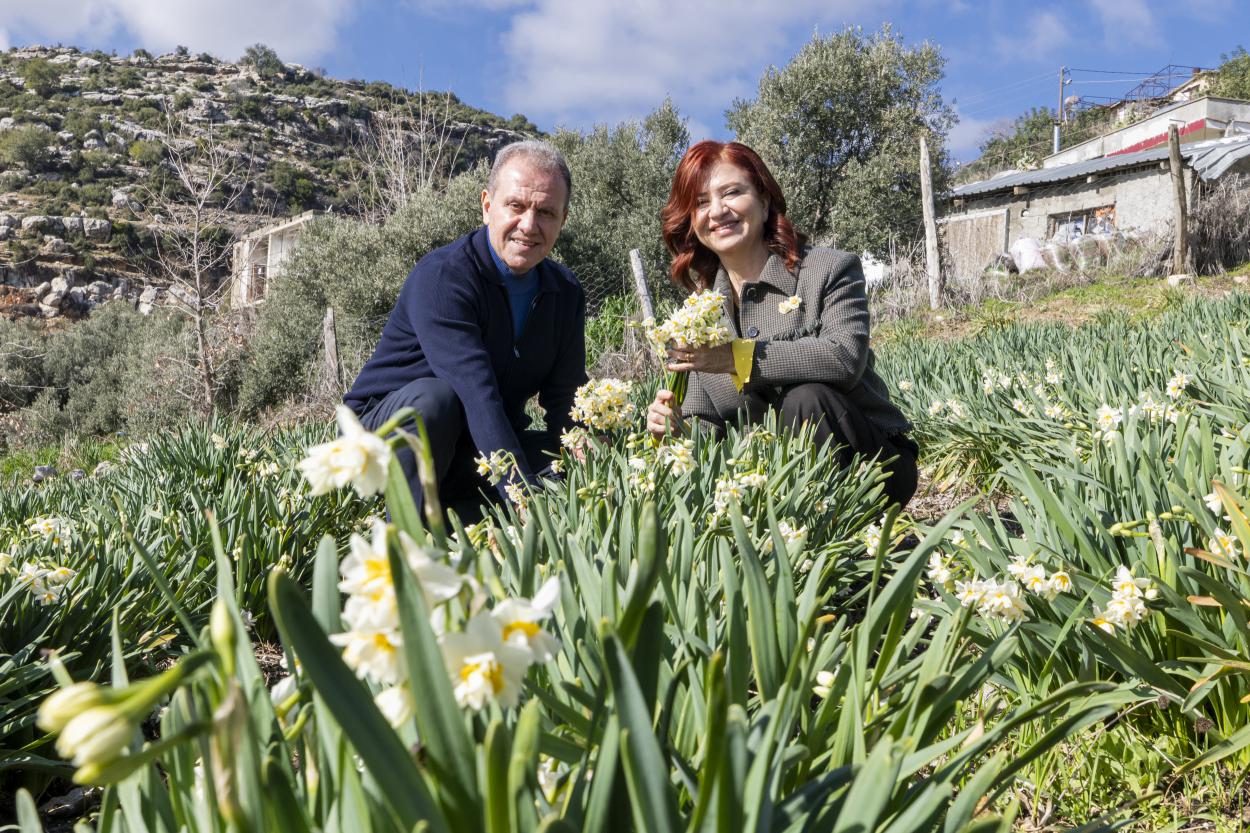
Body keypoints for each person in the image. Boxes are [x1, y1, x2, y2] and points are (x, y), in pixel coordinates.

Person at [645, 140, 917, 507]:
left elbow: (845, 358)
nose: (717, 211)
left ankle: (827, 534)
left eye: (732, 193)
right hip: (767, 483)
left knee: (806, 399)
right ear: (692, 222)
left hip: (871, 463)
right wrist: (677, 429)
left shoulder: (828, 270)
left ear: (764, 198)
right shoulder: (698, 316)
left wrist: (734, 358)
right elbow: (706, 428)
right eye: (701, 202)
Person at [344, 140, 587, 520]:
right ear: (488, 206)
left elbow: (566, 398)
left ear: (563, 220)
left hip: (473, 445)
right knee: (435, 401)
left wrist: (590, 461)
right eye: (516, 206)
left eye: (546, 212)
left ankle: (461, 517)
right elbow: (476, 395)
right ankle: (404, 536)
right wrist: (521, 497)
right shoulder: (444, 278)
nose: (529, 225)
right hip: (386, 439)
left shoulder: (564, 292)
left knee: (567, 465)